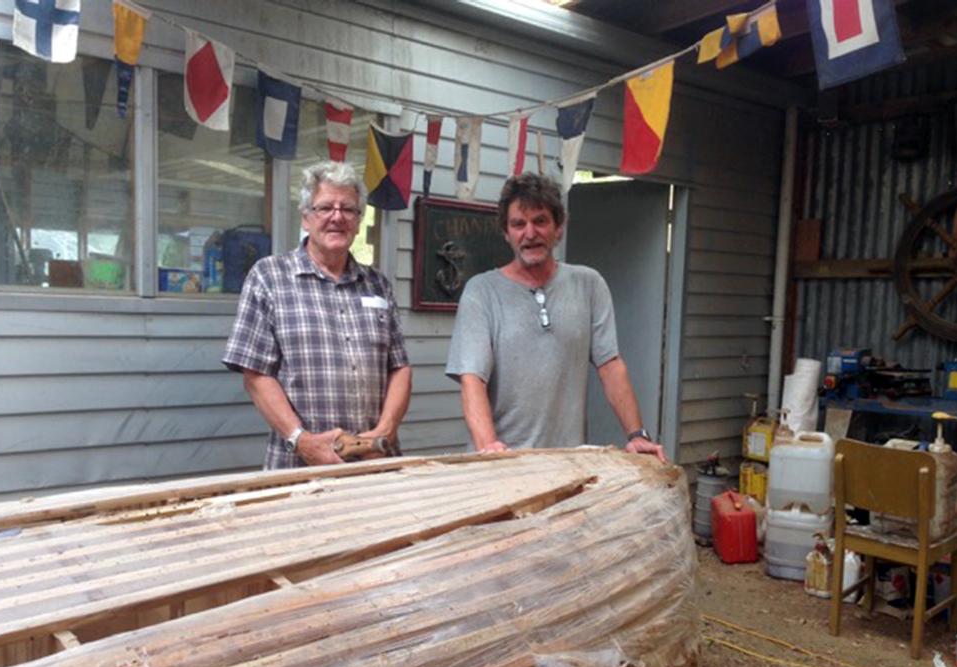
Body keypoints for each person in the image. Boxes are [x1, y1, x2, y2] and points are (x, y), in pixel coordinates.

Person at [445, 172, 666, 461]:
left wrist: (637, 435)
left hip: (567, 465)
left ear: (558, 227)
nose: (530, 233)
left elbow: (610, 366)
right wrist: (489, 449)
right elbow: (472, 380)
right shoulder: (481, 292)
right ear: (506, 233)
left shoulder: (589, 284)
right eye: (518, 224)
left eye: (540, 221)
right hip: (502, 464)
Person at [222, 161, 411, 468]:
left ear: (359, 220)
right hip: (299, 466)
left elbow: (399, 367)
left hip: (375, 462)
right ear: (306, 218)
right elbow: (256, 374)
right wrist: (301, 440)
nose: (337, 217)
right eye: (325, 208)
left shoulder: (378, 285)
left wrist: (385, 433)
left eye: (348, 209)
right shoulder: (269, 277)